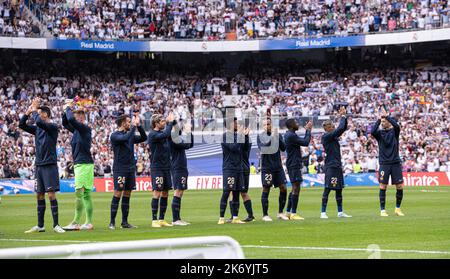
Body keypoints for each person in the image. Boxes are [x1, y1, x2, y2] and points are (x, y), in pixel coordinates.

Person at [18, 98, 65, 233]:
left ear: (46, 114)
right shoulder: (38, 129)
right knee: (39, 195)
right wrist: (28, 111)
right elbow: (22, 125)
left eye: (40, 112)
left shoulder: (53, 127)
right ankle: (40, 225)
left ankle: (56, 225)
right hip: (39, 165)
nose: (37, 114)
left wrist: (34, 108)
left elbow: (38, 121)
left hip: (49, 165)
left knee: (51, 195)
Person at [109, 113, 147, 230]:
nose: (130, 124)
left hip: (130, 168)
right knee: (118, 193)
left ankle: (124, 222)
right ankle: (112, 222)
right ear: (123, 123)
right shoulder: (115, 135)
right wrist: (134, 128)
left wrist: (139, 126)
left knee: (127, 194)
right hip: (120, 168)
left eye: (131, 122)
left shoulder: (129, 135)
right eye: (128, 122)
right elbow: (125, 138)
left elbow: (144, 138)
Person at [62, 104, 95, 231]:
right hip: (82, 164)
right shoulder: (77, 130)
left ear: (81, 118)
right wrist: (65, 110)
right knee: (86, 194)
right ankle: (88, 223)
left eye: (77, 114)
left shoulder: (84, 128)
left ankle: (76, 222)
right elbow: (65, 122)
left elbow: (70, 120)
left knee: (79, 193)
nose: (75, 116)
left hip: (83, 164)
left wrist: (68, 108)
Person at [371, 108, 405, 217]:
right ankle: (382, 210)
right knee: (383, 186)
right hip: (384, 163)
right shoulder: (380, 134)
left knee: (399, 186)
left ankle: (397, 209)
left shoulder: (394, 132)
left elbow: (397, 126)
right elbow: (372, 131)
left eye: (384, 121)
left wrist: (387, 116)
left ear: (389, 122)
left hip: (395, 162)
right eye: (381, 122)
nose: (382, 123)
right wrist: (378, 119)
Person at [320, 106, 352, 219]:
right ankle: (323, 212)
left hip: (337, 165)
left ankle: (340, 212)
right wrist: (342, 116)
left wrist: (343, 117)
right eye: (332, 126)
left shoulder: (332, 136)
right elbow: (340, 129)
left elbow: (342, 128)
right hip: (331, 166)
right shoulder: (326, 137)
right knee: (328, 188)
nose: (334, 127)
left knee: (339, 189)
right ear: (327, 128)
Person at [257, 119, 289, 221]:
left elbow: (284, 148)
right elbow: (263, 149)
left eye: (269, 124)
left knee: (283, 188)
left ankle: (280, 213)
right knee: (266, 188)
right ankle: (265, 215)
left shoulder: (278, 135)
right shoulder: (260, 136)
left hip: (278, 167)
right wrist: (272, 137)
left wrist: (277, 137)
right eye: (265, 124)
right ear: (263, 126)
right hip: (267, 167)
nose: (267, 126)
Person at [148, 112, 176, 228]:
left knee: (165, 193)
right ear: (156, 123)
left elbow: (170, 132)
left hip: (166, 167)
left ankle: (162, 219)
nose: (164, 123)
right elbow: (166, 134)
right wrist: (170, 123)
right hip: (157, 168)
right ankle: (154, 220)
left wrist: (173, 121)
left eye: (165, 121)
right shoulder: (153, 134)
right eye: (162, 122)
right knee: (157, 193)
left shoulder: (162, 133)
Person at [218, 117, 246, 224]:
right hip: (229, 168)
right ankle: (221, 217)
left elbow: (244, 149)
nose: (237, 125)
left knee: (236, 192)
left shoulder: (237, 135)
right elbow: (233, 147)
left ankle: (235, 217)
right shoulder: (225, 136)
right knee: (226, 192)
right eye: (235, 123)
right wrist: (240, 135)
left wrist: (245, 137)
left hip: (239, 168)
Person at [284, 119, 312, 220]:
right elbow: (305, 142)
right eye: (296, 123)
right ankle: (293, 213)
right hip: (294, 163)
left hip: (292, 163)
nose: (298, 124)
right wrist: (308, 130)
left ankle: (288, 212)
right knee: (296, 187)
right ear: (291, 125)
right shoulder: (291, 135)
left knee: (294, 187)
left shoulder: (289, 134)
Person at [169, 119, 194, 226]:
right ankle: (175, 219)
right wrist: (188, 131)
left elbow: (190, 144)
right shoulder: (173, 140)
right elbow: (188, 144)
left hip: (181, 167)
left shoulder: (176, 138)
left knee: (180, 192)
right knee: (178, 192)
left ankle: (178, 218)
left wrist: (189, 132)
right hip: (178, 167)